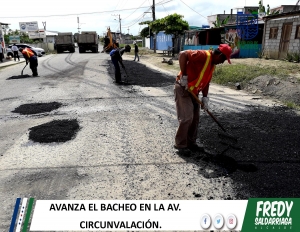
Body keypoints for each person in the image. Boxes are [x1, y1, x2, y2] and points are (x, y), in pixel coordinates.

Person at [174, 44, 232, 152]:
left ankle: (191, 143)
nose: (222, 62)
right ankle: (180, 145)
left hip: (194, 92)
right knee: (187, 117)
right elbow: (182, 54)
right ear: (219, 55)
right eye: (223, 59)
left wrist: (205, 98)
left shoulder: (212, 64)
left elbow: (206, 82)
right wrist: (184, 77)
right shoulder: (203, 55)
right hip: (183, 88)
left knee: (195, 118)